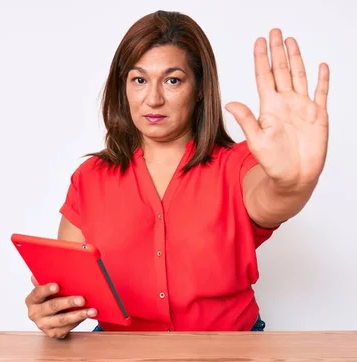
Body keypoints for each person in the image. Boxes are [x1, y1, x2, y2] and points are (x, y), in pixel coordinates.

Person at [24, 10, 330, 339]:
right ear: (123, 87)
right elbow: (68, 295)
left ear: (199, 88)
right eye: (139, 80)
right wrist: (51, 312)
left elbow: (274, 197)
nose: (153, 99)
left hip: (229, 359)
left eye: (173, 80)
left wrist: (293, 183)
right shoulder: (89, 178)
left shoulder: (238, 166)